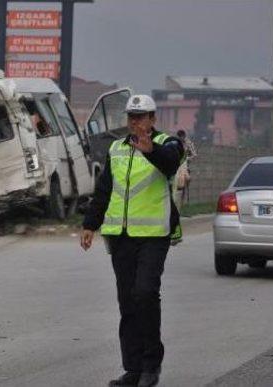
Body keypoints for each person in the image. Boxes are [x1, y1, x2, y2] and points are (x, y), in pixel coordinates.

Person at [80, 94, 184, 387]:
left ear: (153, 118)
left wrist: (151, 150)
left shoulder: (169, 143)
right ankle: (133, 369)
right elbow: (104, 191)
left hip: (153, 236)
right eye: (131, 117)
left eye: (141, 116)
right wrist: (90, 224)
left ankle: (152, 366)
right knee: (127, 302)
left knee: (145, 294)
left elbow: (171, 164)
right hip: (121, 237)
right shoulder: (117, 148)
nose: (135, 122)